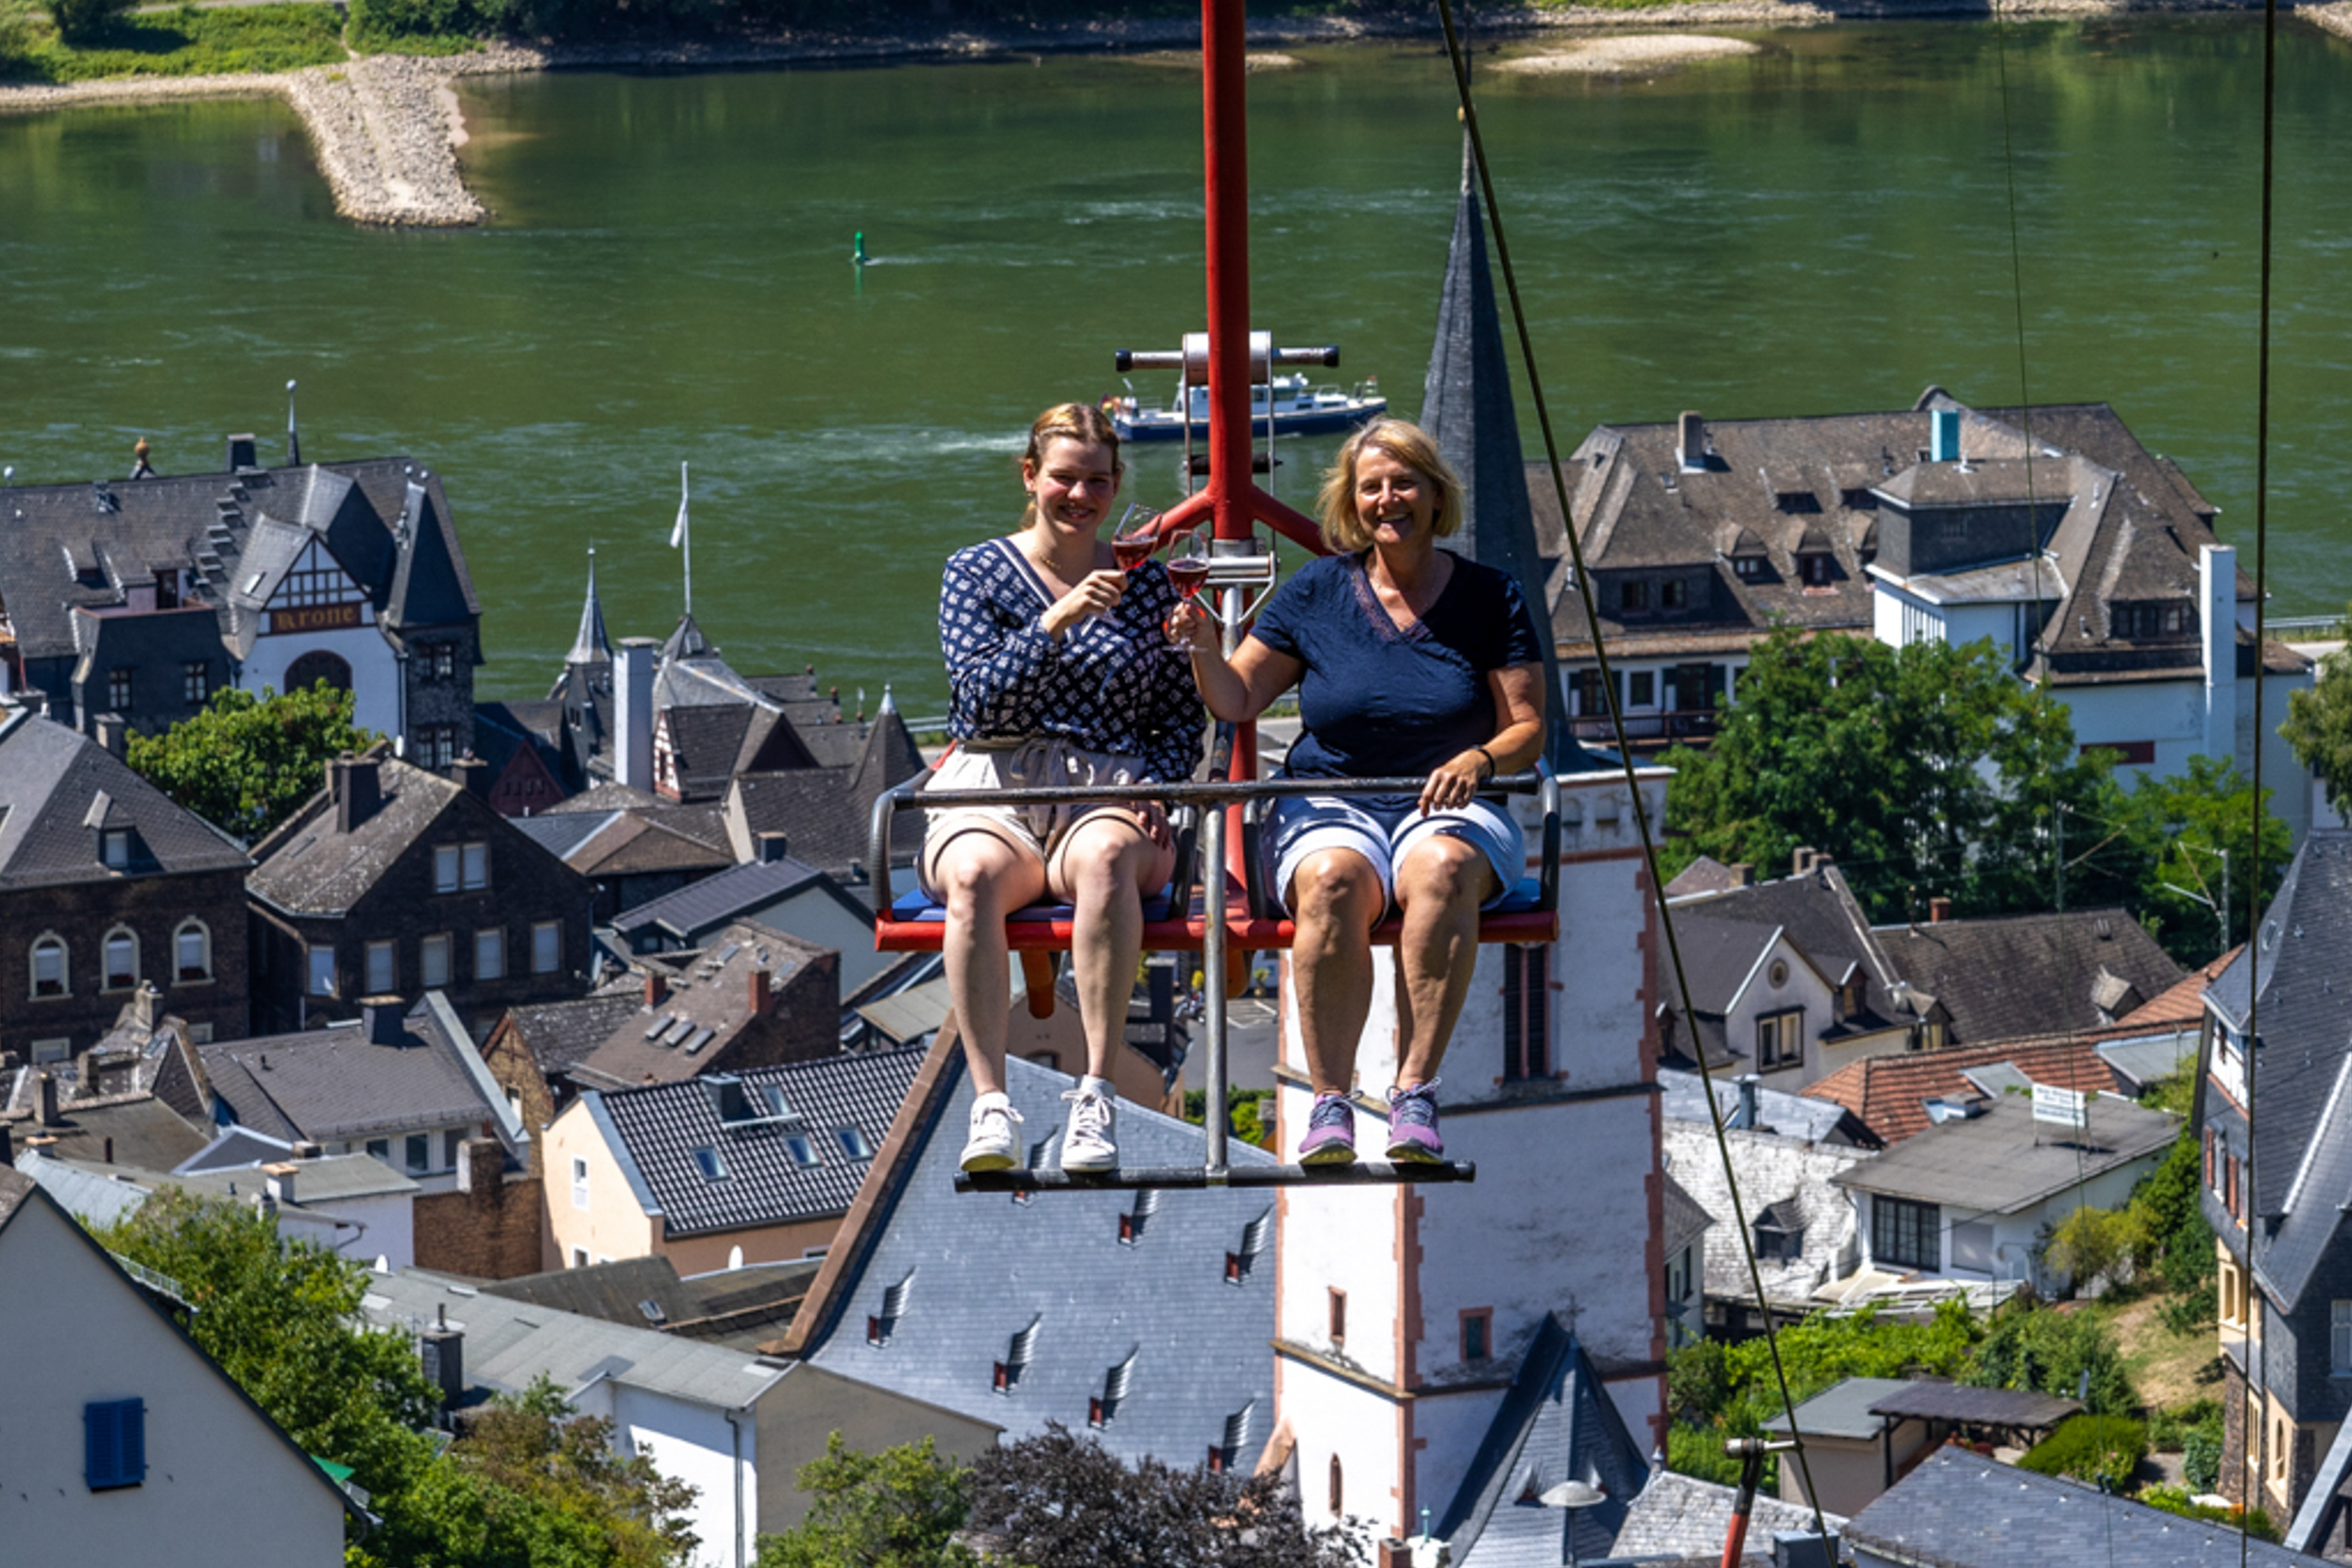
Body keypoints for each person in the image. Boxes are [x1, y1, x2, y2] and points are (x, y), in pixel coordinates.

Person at [1172, 419, 1545, 1164]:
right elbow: (1239, 697)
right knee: (1334, 878)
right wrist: (1204, 650)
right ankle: (1332, 1101)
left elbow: (1527, 727)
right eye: (1371, 487)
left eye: (1404, 482)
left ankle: (1413, 1092)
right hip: (1332, 800)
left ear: (1437, 494)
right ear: (1351, 501)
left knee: (1438, 870)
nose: (1388, 500)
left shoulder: (1487, 596)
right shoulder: (1319, 590)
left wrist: (1478, 757)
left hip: (1447, 799)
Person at [928, 403, 1205, 1174]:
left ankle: (1096, 1091)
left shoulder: (1146, 586)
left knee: (1110, 859)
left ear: (1116, 488)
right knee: (974, 876)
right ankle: (990, 1101)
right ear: (1030, 477)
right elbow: (976, 702)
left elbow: (1180, 717)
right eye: (1064, 478)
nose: (1079, 496)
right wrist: (1050, 624)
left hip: (1108, 778)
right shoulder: (976, 571)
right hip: (998, 775)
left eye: (1096, 481)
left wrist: (1161, 783)